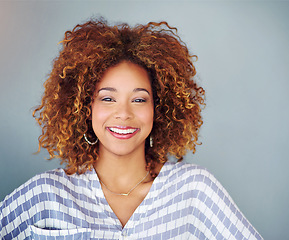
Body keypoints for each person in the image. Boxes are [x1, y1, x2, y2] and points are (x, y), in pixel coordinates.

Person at [0, 18, 262, 240]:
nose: (123, 113)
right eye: (107, 98)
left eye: (139, 99)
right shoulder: (46, 194)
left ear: (158, 108)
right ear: (83, 106)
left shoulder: (195, 191)